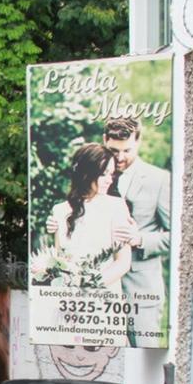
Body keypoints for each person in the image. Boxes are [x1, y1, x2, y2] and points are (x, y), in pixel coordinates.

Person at [102, 117, 172, 346]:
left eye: (127, 151)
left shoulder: (159, 180)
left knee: (144, 361)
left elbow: (178, 237)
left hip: (141, 291)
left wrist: (140, 239)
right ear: (104, 140)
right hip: (101, 290)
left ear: (139, 142)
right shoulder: (93, 176)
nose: (120, 158)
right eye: (113, 151)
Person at [49, 143, 132, 295]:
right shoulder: (60, 210)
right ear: (86, 173)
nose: (109, 180)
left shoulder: (117, 207)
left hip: (104, 297)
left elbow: (123, 262)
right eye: (103, 174)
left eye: (111, 174)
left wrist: (89, 286)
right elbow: (59, 259)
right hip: (68, 299)